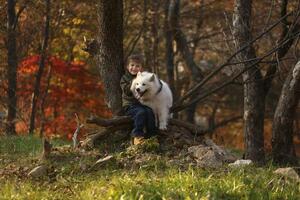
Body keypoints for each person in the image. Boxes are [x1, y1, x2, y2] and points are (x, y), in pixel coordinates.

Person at [120, 54, 157, 145]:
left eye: (137, 66)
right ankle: (137, 136)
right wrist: (135, 81)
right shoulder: (124, 78)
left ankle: (151, 136)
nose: (134, 68)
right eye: (132, 65)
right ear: (127, 66)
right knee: (141, 113)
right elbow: (127, 91)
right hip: (130, 106)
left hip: (142, 104)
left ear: (141, 68)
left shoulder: (143, 78)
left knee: (149, 112)